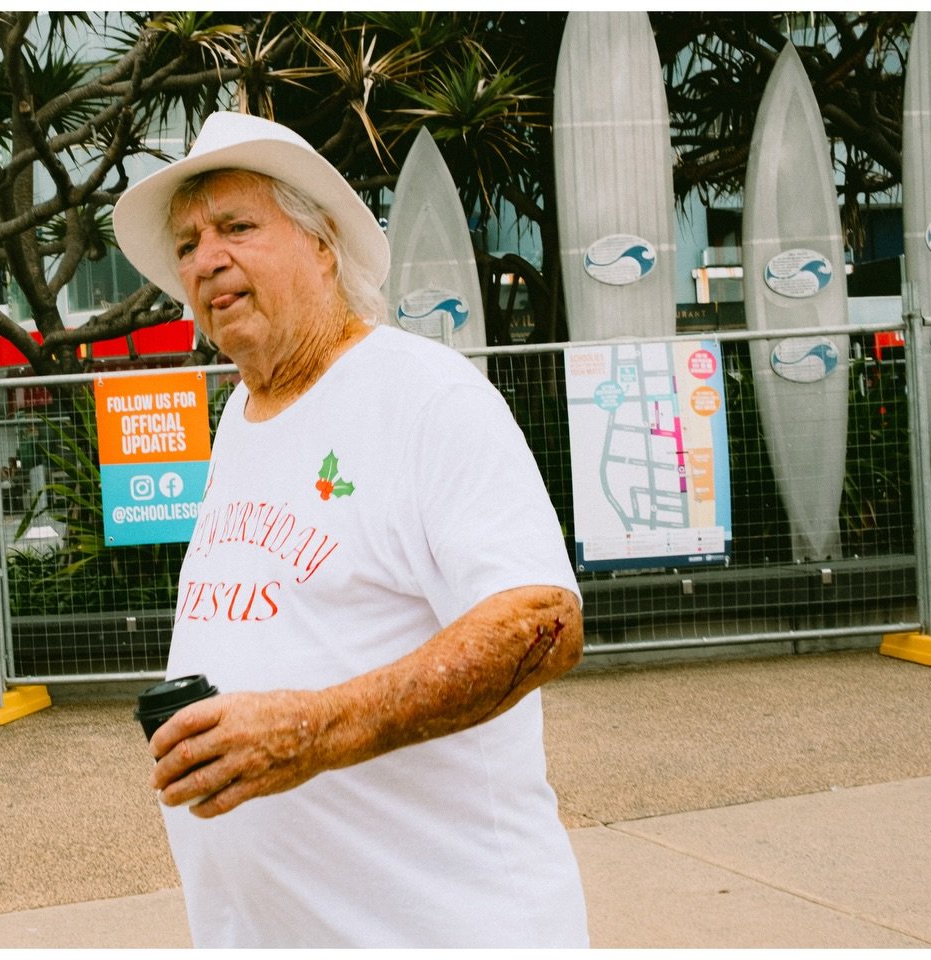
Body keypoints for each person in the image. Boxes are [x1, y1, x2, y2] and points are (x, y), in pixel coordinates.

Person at [112, 111, 587, 948]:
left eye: (236, 227)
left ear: (322, 244)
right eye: (187, 243)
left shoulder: (422, 395)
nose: (205, 258)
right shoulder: (241, 418)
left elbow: (542, 622)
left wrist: (315, 729)